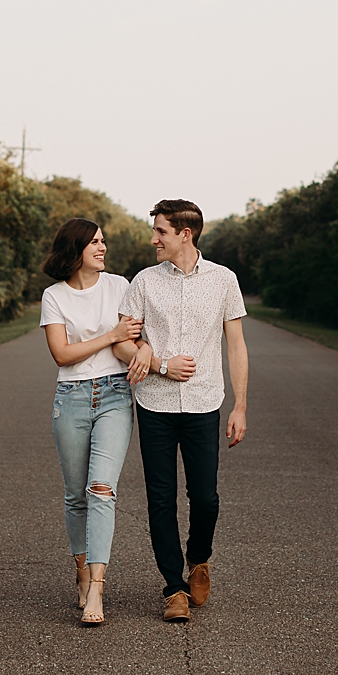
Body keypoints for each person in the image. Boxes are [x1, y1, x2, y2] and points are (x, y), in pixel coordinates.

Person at [119, 198, 250, 622]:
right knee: (161, 498)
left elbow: (236, 345)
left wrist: (240, 405)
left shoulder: (223, 280)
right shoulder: (143, 282)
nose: (153, 238)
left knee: (206, 498)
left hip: (204, 403)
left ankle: (199, 558)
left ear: (184, 234)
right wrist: (156, 361)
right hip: (154, 403)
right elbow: (122, 341)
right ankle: (173, 587)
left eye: (160, 231)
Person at [39, 218, 144, 625]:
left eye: (103, 241)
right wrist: (110, 334)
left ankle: (98, 588)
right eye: (95, 242)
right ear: (75, 249)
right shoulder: (54, 296)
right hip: (72, 398)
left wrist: (146, 353)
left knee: (102, 490)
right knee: (76, 496)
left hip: (115, 396)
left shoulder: (121, 285)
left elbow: (128, 341)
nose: (103, 248)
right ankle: (81, 572)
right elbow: (62, 355)